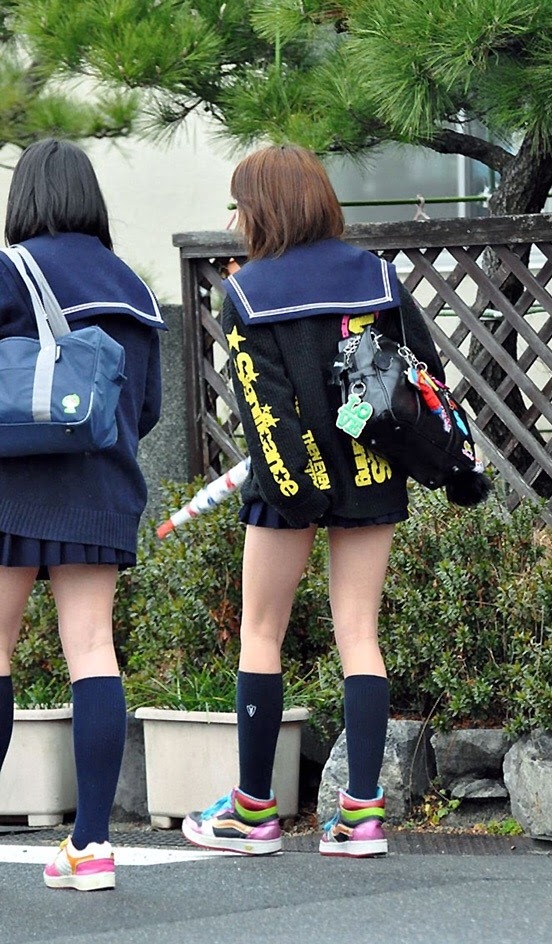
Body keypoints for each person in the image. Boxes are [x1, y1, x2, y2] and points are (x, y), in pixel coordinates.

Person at [182, 144, 446, 859]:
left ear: (263, 208)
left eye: (239, 204)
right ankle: (362, 816)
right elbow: (420, 377)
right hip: (371, 469)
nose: (235, 219)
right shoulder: (377, 277)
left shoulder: (248, 292)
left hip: (288, 481)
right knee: (359, 631)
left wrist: (295, 493)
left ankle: (252, 813)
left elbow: (263, 406)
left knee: (261, 632)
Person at [0, 139, 166, 890]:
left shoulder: (11, 269)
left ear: (25, 198)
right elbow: (147, 408)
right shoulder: (133, 287)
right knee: (94, 649)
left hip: (12, 487)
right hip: (101, 489)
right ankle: (91, 845)